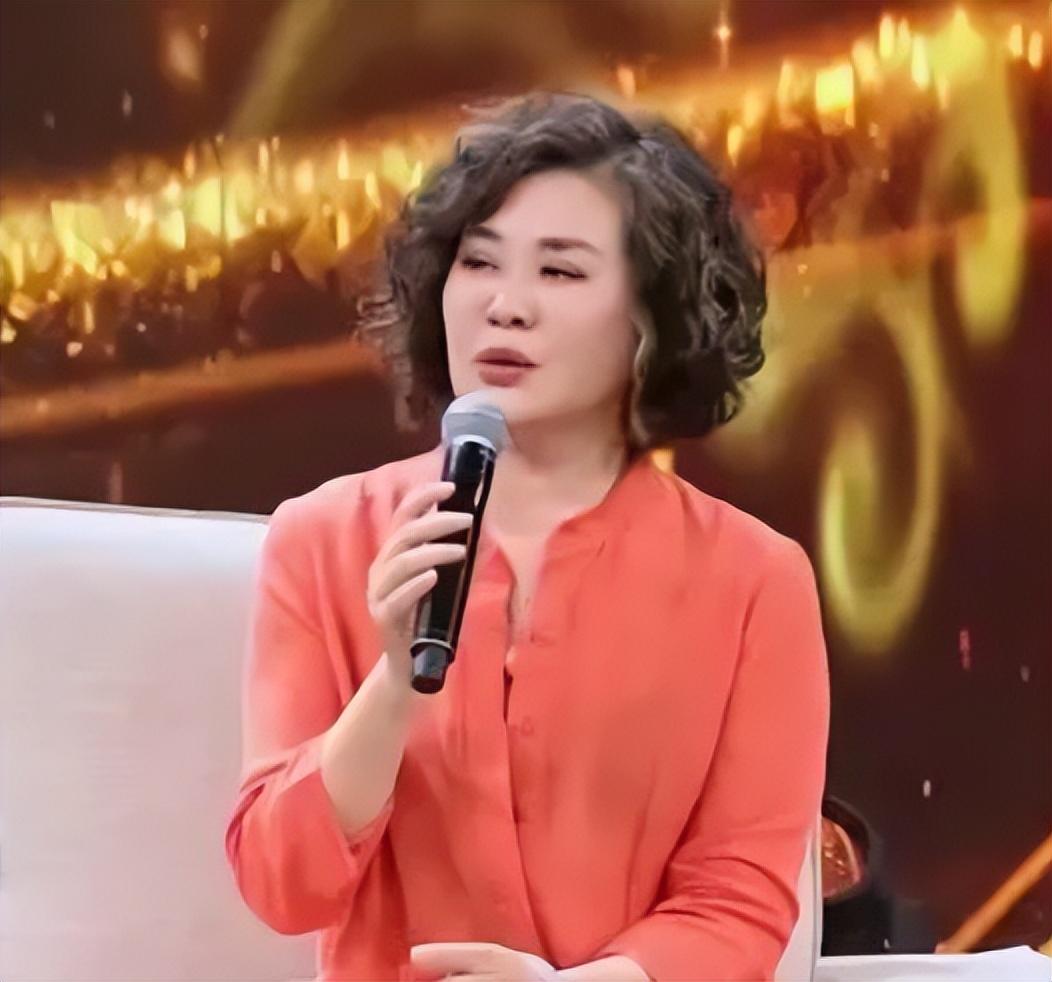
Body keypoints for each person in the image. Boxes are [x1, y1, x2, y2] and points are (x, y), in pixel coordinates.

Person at [224, 90, 830, 982]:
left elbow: (738, 901)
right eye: (478, 263)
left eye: (560, 272)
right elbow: (282, 885)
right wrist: (392, 685)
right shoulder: (321, 540)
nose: (505, 306)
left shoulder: (754, 579)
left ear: (653, 320)